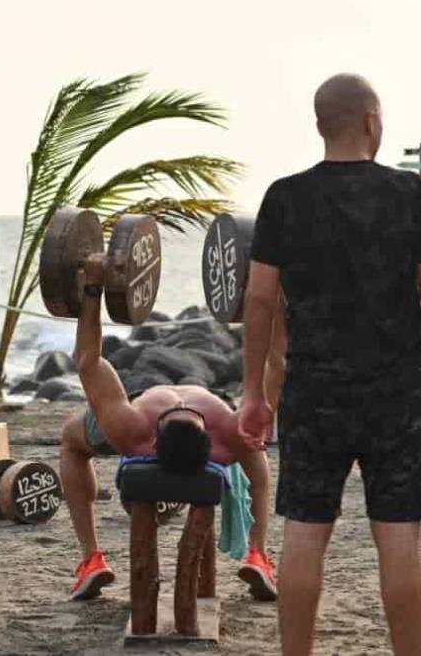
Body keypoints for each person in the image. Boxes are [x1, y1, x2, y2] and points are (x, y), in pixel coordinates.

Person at [237, 74, 421, 656]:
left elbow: (260, 299)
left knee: (304, 535)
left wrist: (254, 394)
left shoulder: (284, 198)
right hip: (396, 392)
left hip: (314, 392)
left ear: (321, 125)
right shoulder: (407, 192)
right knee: (399, 539)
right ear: (372, 121)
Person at [60, 251, 277, 602]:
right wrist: (269, 295)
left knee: (72, 441)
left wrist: (93, 287)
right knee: (255, 452)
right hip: (213, 409)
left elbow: (87, 359)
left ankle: (92, 559)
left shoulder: (130, 432)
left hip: (145, 402)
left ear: (152, 448)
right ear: (211, 447)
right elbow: (276, 362)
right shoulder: (230, 437)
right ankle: (258, 553)